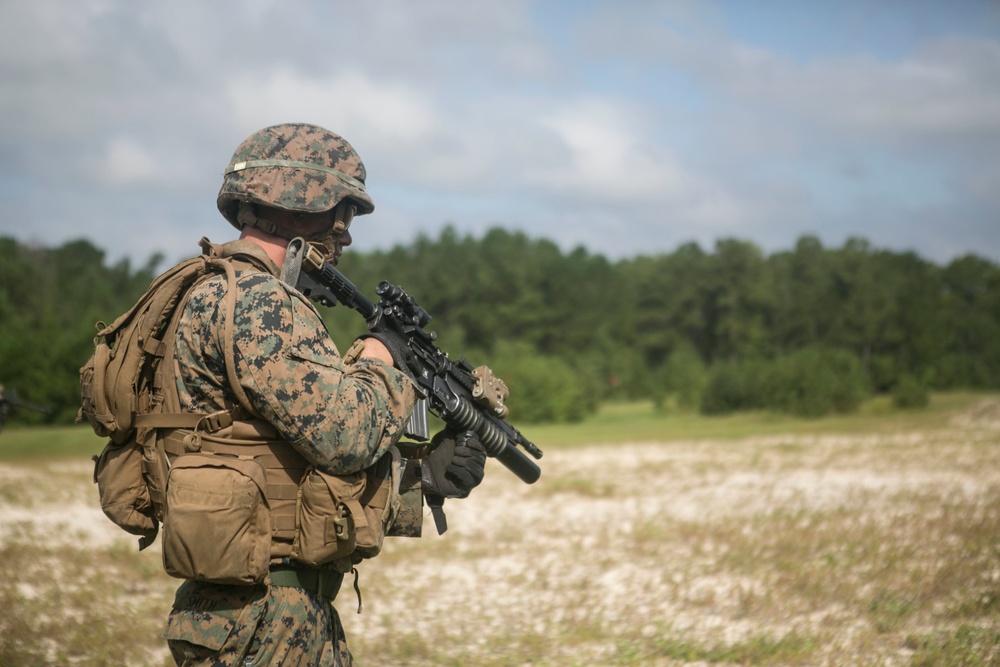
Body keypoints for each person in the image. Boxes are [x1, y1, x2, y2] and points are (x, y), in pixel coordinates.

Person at [159, 123, 488, 666]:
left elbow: (278, 463)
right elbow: (345, 436)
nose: (347, 236)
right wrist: (381, 357)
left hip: (266, 609)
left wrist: (418, 481)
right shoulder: (259, 302)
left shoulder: (216, 288)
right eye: (345, 214)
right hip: (263, 615)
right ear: (301, 203)